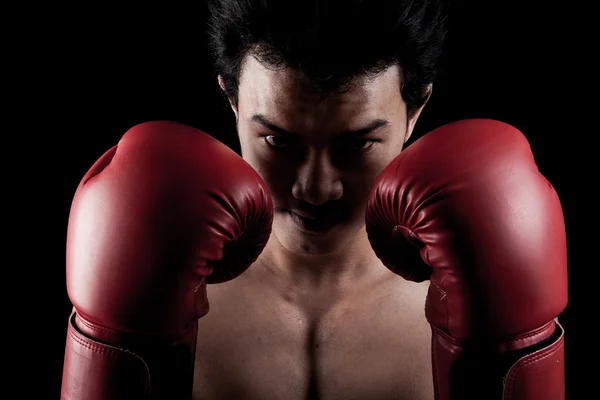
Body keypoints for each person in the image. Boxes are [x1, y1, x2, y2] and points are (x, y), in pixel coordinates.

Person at [60, 0, 568, 399]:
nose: (316, 188)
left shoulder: (477, 303)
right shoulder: (153, 285)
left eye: (356, 145)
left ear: (416, 113)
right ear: (232, 101)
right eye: (279, 142)